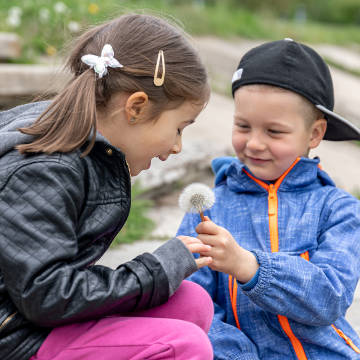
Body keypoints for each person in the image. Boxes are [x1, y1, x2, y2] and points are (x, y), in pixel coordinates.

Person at [0, 13, 215, 360]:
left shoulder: (83, 149)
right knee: (184, 346)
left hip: (35, 317)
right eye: (178, 128)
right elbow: (48, 296)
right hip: (15, 336)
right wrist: (154, 270)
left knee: (192, 303)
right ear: (136, 107)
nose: (177, 147)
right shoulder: (45, 170)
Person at [177, 38, 360, 359]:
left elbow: (329, 296)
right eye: (243, 126)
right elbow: (192, 304)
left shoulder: (339, 209)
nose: (255, 144)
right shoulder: (206, 210)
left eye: (274, 132)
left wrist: (248, 266)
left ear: (315, 134)